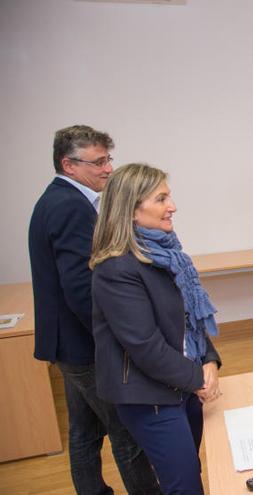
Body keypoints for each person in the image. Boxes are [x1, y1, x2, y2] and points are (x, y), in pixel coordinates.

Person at [28, 126, 160, 495]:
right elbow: (81, 289)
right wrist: (120, 340)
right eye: (98, 162)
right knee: (127, 430)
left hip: (68, 344)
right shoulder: (70, 206)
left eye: (108, 159)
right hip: (84, 347)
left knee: (84, 431)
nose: (107, 169)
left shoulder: (57, 200)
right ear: (69, 165)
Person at [90, 163, 222, 494]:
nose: (172, 207)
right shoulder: (116, 268)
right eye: (161, 199)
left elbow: (191, 319)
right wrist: (198, 379)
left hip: (183, 384)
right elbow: (145, 346)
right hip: (150, 395)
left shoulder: (167, 254)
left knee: (189, 471)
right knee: (185, 485)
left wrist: (209, 360)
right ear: (131, 209)